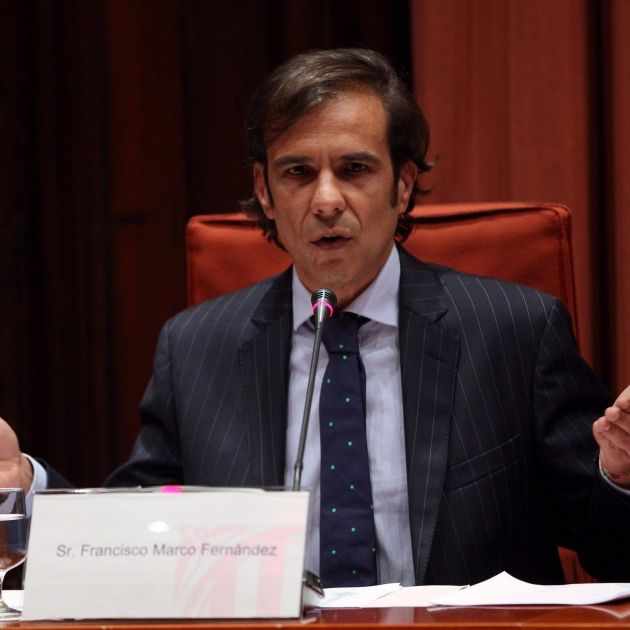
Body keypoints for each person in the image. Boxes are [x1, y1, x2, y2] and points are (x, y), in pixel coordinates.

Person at [1, 48, 630, 587]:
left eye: (354, 170)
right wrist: (25, 488)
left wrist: (621, 478)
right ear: (266, 193)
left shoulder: (514, 332)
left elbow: (609, 545)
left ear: (402, 185)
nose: (326, 200)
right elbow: (135, 537)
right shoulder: (196, 348)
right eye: (298, 173)